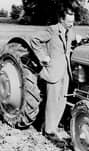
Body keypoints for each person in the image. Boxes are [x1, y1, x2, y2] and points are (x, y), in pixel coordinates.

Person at [30, 3, 81, 143]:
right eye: (69, 21)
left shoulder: (70, 31)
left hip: (66, 71)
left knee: (62, 100)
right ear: (61, 19)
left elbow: (71, 41)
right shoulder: (52, 30)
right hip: (53, 70)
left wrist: (79, 39)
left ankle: (52, 126)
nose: (71, 24)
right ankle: (49, 131)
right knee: (52, 101)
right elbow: (34, 40)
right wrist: (43, 57)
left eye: (73, 21)